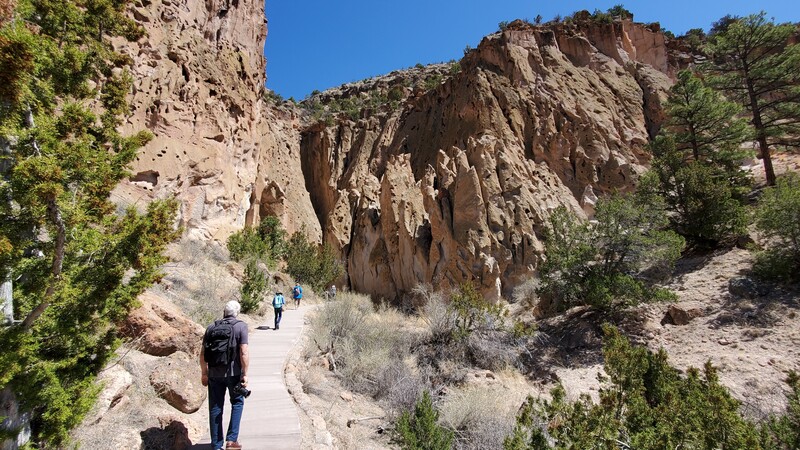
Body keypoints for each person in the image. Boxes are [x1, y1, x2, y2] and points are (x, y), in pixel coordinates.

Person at [200, 300, 249, 450]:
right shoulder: (241, 326)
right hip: (234, 374)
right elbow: (244, 352)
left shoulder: (211, 328)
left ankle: (216, 444)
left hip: (214, 373)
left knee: (215, 407)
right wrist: (245, 374)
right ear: (237, 313)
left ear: (224, 312)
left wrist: (204, 373)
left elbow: (202, 354)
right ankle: (231, 440)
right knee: (237, 403)